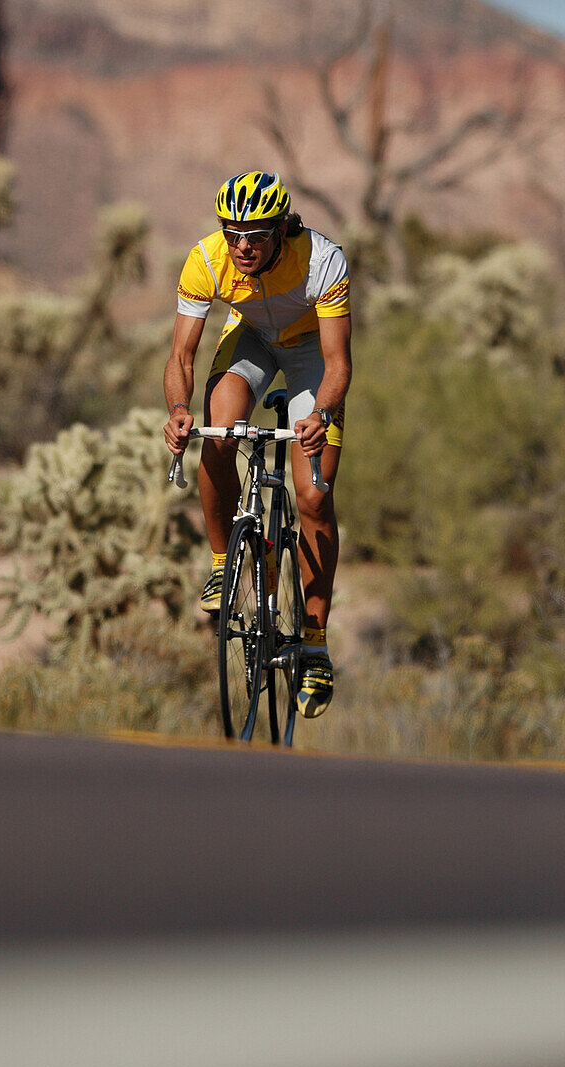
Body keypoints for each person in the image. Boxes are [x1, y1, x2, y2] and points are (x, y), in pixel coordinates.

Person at [163, 171, 352, 719]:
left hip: (310, 353)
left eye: (257, 236)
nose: (242, 246)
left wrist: (319, 413)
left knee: (314, 497)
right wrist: (178, 411)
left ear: (280, 232)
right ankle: (227, 562)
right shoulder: (206, 259)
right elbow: (180, 357)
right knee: (217, 434)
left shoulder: (321, 260)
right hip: (249, 340)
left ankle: (314, 643)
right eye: (233, 233)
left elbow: (339, 364)